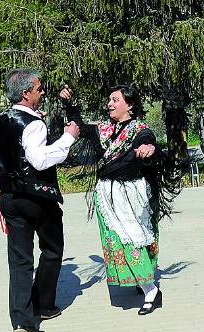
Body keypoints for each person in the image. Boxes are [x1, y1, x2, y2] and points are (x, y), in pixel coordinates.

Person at [60, 84, 181, 315]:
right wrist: (69, 104)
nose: (110, 104)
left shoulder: (140, 130)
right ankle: (144, 283)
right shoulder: (104, 129)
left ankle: (150, 289)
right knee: (117, 240)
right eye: (109, 99)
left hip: (131, 195)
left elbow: (148, 142)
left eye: (115, 100)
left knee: (133, 240)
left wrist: (149, 148)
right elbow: (80, 129)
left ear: (130, 105)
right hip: (107, 194)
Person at [0, 68, 80, 332]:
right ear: (26, 93)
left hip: (9, 198)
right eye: (39, 89)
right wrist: (68, 138)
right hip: (36, 196)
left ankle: (22, 319)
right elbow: (39, 160)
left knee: (19, 261)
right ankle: (43, 305)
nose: (42, 92)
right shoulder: (33, 123)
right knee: (52, 248)